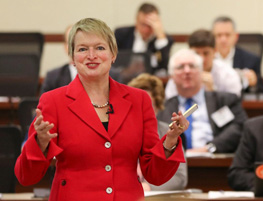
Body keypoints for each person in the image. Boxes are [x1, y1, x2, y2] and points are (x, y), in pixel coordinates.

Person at [14, 18, 189, 201]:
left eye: (99, 48)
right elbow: (26, 177)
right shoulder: (53, 101)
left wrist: (169, 141)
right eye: (82, 49)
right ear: (72, 57)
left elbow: (156, 176)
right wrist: (40, 144)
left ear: (113, 54)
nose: (91, 55)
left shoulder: (139, 100)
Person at [157, 48, 248, 153]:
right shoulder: (162, 107)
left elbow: (239, 126)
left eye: (192, 66)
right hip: (174, 164)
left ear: (201, 72)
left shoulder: (224, 100)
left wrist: (209, 148)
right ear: (172, 76)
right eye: (180, 67)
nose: (187, 71)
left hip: (214, 162)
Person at [128, 73, 188, 191]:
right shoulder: (119, 131)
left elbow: (180, 178)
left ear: (158, 107)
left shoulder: (170, 132)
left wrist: (149, 187)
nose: (141, 110)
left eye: (147, 106)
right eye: (136, 105)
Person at [165, 29, 242, 100]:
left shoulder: (228, 74)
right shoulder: (179, 74)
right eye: (196, 53)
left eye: (206, 53)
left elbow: (234, 106)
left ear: (215, 51)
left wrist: (212, 92)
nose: (201, 59)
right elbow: (170, 103)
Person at [114, 3, 173, 76]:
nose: (145, 30)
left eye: (149, 25)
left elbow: (164, 67)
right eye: (142, 24)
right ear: (136, 20)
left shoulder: (164, 40)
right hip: (124, 78)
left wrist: (160, 37)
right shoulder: (122, 34)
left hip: (150, 80)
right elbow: (114, 61)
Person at [212, 16, 263, 94]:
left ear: (236, 36)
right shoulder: (205, 59)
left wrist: (253, 83)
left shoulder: (251, 60)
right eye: (219, 35)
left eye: (227, 35)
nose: (223, 40)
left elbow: (261, 91)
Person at [40, 25, 77, 94]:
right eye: (71, 42)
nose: (75, 46)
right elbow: (44, 103)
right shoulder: (53, 77)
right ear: (65, 47)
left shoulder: (97, 75)